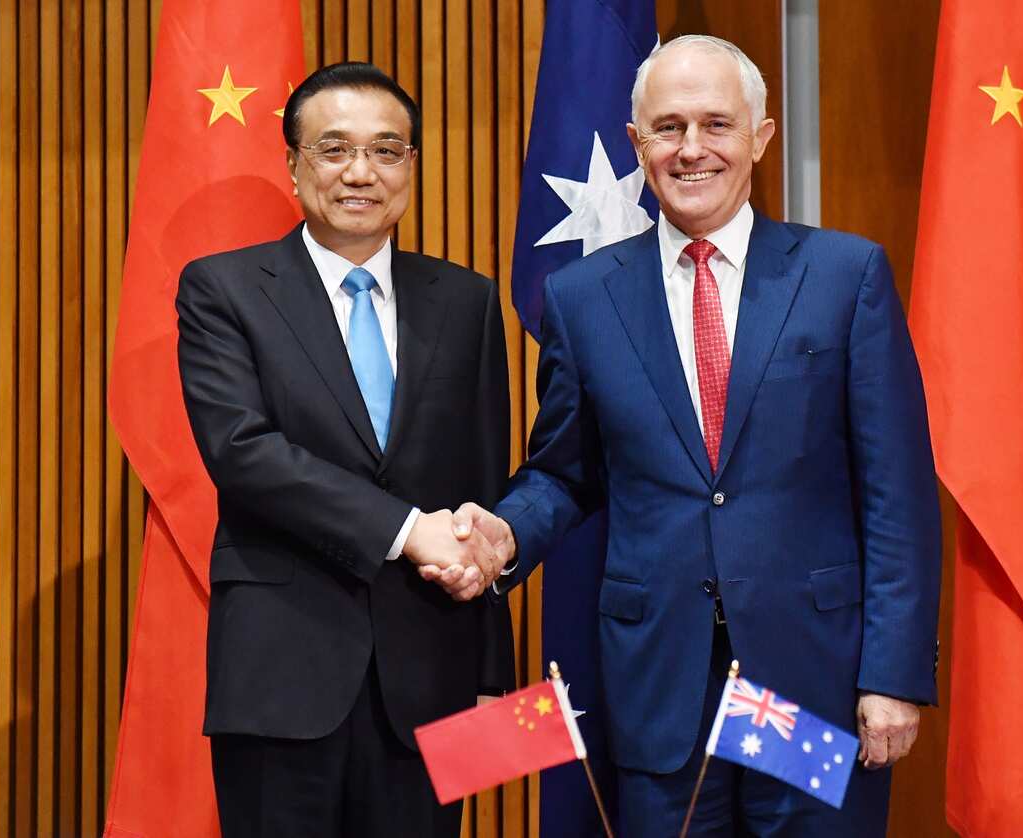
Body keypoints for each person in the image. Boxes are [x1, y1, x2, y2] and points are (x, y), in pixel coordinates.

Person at [433, 35, 941, 836]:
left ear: (760, 137)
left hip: (812, 685)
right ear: (637, 146)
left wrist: (894, 674)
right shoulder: (582, 298)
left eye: (717, 124)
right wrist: (502, 534)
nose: (692, 149)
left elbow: (898, 495)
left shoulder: (846, 277)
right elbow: (564, 475)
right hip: (657, 693)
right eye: (668, 128)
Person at [176, 62, 514, 837]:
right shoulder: (224, 290)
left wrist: (492, 673)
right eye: (334, 149)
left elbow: (481, 487)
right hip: (280, 682)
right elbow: (242, 451)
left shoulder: (467, 301)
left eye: (387, 150)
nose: (361, 171)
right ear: (291, 162)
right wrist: (405, 529)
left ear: (412, 169)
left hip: (432, 678)